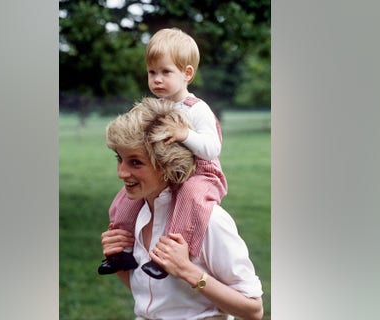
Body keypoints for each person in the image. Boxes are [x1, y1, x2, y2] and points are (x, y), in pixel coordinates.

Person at [101, 98, 263, 320]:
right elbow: (154, 300)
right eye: (120, 159)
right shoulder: (137, 213)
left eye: (135, 162)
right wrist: (119, 260)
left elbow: (253, 310)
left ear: (167, 163)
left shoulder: (209, 220)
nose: (121, 172)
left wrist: (188, 271)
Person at [98, 27, 228, 279]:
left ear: (187, 73)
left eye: (165, 72)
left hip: (200, 174)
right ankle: (121, 250)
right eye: (152, 72)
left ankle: (169, 256)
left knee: (190, 197)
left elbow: (212, 149)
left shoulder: (196, 108)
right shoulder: (157, 106)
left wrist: (184, 135)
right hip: (165, 171)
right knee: (125, 199)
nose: (156, 79)